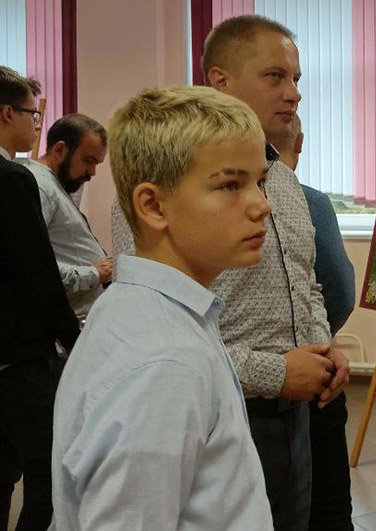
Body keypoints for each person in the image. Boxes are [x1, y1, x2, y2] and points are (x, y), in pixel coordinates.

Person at [110, 15, 350, 530]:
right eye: (275, 76)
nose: (293, 93)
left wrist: (322, 347)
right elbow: (160, 329)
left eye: (296, 79)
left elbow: (306, 280)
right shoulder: (170, 181)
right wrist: (276, 373)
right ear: (220, 80)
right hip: (223, 409)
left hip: (299, 412)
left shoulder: (283, 181)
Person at [50, 85, 275, 530]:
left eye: (259, 182)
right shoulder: (166, 363)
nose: (262, 205)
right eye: (230, 185)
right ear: (153, 206)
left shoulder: (143, 309)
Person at [0, 66, 80, 531]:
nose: (37, 123)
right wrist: (75, 339)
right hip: (21, 361)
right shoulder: (12, 179)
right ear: (6, 113)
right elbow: (37, 274)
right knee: (49, 479)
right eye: (33, 113)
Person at [274, 116, 356, 530]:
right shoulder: (311, 200)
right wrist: (321, 344)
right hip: (299, 379)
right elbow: (340, 289)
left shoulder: (304, 199)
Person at [22, 114, 111, 317]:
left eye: (97, 163)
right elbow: (31, 263)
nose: (92, 172)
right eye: (88, 160)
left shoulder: (54, 185)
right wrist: (93, 274)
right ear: (60, 149)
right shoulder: (40, 186)